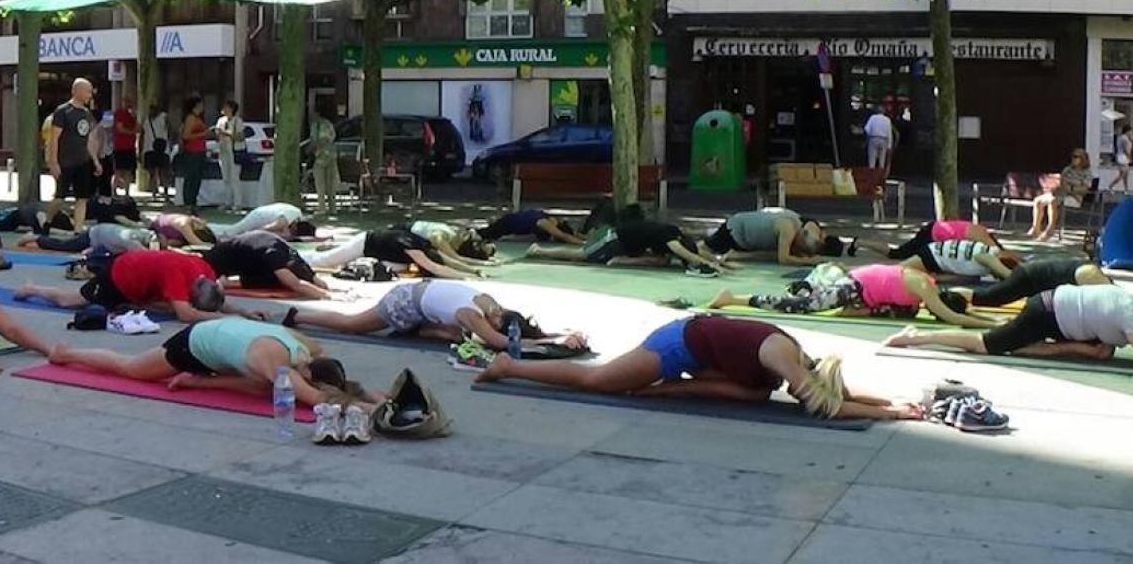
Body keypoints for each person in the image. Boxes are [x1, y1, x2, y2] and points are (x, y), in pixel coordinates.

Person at [476, 314, 922, 421]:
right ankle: (508, 366)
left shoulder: (767, 382)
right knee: (599, 381)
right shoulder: (778, 355)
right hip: (678, 343)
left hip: (697, 359)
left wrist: (892, 400)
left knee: (750, 394)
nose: (802, 391)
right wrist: (890, 414)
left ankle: (509, 365)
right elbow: (823, 405)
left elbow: (836, 394)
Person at [46, 319, 374, 411]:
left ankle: (198, 382)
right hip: (195, 343)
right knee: (131, 368)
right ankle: (66, 354)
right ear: (305, 374)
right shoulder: (277, 365)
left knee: (267, 386)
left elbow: (332, 388)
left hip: (230, 334)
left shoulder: (309, 348)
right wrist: (371, 411)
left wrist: (379, 396)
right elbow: (317, 399)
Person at [284, 280, 586, 350]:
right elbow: (497, 341)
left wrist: (557, 335)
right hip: (403, 302)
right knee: (352, 325)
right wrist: (542, 346)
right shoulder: (474, 315)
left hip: (420, 296)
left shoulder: (492, 305)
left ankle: (417, 329)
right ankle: (300, 317)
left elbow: (520, 330)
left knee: (456, 337)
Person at [708, 262, 1000, 329]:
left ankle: (856, 309)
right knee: (804, 307)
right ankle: (734, 297)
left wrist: (985, 317)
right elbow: (953, 316)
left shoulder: (930, 289)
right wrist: (994, 326)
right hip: (855, 285)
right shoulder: (926, 290)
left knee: (906, 312)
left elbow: (961, 308)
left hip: (867, 292)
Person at [885, 283, 1133, 361]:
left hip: (1059, 305)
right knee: (983, 344)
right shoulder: (1129, 314)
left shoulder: (1126, 304)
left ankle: (1039, 344)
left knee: (1103, 352)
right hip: (1047, 313)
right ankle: (917, 337)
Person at [15, 249, 272, 323]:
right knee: (72, 301)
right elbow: (187, 315)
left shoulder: (205, 272)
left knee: (167, 306)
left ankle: (134, 302)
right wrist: (223, 320)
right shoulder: (178, 277)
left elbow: (219, 301)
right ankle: (33, 289)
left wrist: (245, 313)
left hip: (144, 275)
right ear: (193, 292)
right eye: (192, 300)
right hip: (121, 274)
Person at [526, 219, 723, 277]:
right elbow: (688, 254)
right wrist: (708, 264)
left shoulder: (674, 235)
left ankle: (621, 260)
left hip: (630, 244)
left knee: (661, 261)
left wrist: (720, 262)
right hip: (614, 237)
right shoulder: (671, 239)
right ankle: (539, 251)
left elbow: (696, 252)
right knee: (583, 256)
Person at [205, 231, 335, 300]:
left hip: (248, 257)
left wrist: (324, 287)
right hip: (219, 260)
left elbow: (312, 277)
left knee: (279, 279)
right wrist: (327, 296)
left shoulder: (291, 255)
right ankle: (227, 282)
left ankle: (229, 281)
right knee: (281, 280)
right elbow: (295, 284)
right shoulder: (275, 256)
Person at [302, 228, 474, 279]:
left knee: (394, 269)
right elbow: (435, 267)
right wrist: (464, 277)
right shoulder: (414, 249)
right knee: (324, 261)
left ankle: (360, 264)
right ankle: (301, 256)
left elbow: (448, 260)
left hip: (384, 252)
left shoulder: (425, 245)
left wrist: (473, 271)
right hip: (365, 243)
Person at [46, 79, 101, 230]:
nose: (90, 95)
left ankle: (78, 230)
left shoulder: (86, 113)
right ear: (77, 91)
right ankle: (47, 221)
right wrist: (53, 162)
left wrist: (95, 160)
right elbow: (54, 138)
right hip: (65, 161)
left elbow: (89, 139)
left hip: (82, 161)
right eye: (88, 91)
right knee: (59, 198)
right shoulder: (63, 111)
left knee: (82, 198)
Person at [960, 257, 1109, 307]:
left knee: (989, 297)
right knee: (987, 298)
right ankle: (946, 296)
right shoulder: (1092, 278)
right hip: (1029, 277)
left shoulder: (1096, 279)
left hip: (1034, 276)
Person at [699, 208, 825, 266]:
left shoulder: (797, 224)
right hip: (736, 230)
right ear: (800, 240)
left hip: (745, 233)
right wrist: (809, 262)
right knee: (703, 249)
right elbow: (784, 260)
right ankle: (685, 248)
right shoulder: (788, 229)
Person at [1029, 149, 1093, 240]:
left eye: (1076, 157)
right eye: (1073, 156)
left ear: (1083, 159)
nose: (1073, 159)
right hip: (1060, 192)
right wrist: (1062, 185)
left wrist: (1071, 188)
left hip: (1074, 197)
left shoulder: (1087, 173)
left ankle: (1050, 229)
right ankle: (1035, 228)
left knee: (1053, 201)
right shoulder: (1067, 169)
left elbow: (1085, 189)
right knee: (1038, 200)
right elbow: (1061, 181)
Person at [862, 219, 1001, 259]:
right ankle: (860, 242)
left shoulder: (982, 235)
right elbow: (999, 254)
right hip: (930, 234)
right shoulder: (982, 239)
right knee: (896, 254)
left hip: (937, 232)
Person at [897, 239, 1022, 281]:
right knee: (898, 272)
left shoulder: (990, 255)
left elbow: (962, 275)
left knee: (902, 272)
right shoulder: (988, 257)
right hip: (933, 254)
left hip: (938, 258)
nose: (995, 277)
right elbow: (1010, 275)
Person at [17, 223, 160, 255]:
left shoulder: (141, 234)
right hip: (94, 235)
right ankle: (35, 236)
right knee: (63, 246)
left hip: (101, 235)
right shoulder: (133, 241)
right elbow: (149, 257)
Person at [209, 203, 313, 240]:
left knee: (235, 229)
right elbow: (267, 228)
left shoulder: (297, 214)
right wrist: (251, 234)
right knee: (234, 231)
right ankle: (210, 228)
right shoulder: (284, 222)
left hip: (265, 213)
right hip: (259, 217)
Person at [477, 209, 585, 245]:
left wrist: (584, 238)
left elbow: (570, 233)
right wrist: (582, 244)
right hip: (507, 224)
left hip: (511, 221)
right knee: (484, 235)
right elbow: (563, 236)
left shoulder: (549, 218)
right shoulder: (545, 223)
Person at [178, 96, 209, 214]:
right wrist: (203, 134)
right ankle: (188, 203)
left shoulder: (199, 118)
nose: (203, 107)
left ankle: (193, 201)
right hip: (192, 151)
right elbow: (186, 135)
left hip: (200, 150)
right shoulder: (190, 118)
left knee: (197, 177)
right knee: (191, 176)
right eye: (201, 105)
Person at [309, 100, 339, 217]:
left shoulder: (316, 125)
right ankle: (333, 208)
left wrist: (309, 150)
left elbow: (315, 141)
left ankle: (322, 207)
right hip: (332, 155)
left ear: (317, 113)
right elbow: (332, 138)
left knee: (320, 183)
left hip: (321, 157)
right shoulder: (329, 124)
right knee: (331, 184)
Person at [215, 100, 245, 212]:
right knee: (225, 178)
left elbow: (241, 137)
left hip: (234, 152)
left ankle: (238, 203)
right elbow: (217, 136)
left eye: (226, 107)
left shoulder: (238, 121)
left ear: (231, 109)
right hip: (223, 152)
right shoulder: (220, 121)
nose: (224, 108)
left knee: (234, 178)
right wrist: (218, 134)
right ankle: (227, 202)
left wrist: (226, 133)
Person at [0, 202, 72, 235]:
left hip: (27, 217)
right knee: (4, 226)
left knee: (4, 225)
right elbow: (45, 226)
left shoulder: (58, 213)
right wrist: (65, 233)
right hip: (20, 215)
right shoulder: (45, 214)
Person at [112, 97, 140, 195]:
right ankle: (114, 191)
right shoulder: (119, 113)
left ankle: (127, 192)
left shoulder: (131, 115)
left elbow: (138, 127)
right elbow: (120, 128)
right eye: (126, 101)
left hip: (130, 147)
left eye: (129, 101)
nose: (128, 103)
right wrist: (132, 132)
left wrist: (135, 117)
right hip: (120, 146)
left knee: (128, 171)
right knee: (118, 171)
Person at [142, 104, 171, 200]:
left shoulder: (164, 117)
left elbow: (169, 129)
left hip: (163, 148)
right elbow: (142, 135)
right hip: (149, 149)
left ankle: (165, 192)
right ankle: (154, 192)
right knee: (152, 173)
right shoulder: (146, 120)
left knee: (163, 172)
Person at [150, 212, 216, 247]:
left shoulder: (189, 222)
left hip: (168, 228)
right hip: (159, 228)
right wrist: (211, 246)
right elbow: (195, 242)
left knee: (178, 242)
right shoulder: (184, 224)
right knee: (164, 244)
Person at [91, 107, 115, 198]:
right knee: (102, 184)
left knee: (101, 184)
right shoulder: (100, 128)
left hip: (101, 158)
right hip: (103, 157)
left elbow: (99, 145)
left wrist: (96, 160)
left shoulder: (98, 129)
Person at [864, 104, 895, 169]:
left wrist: (870, 135)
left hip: (873, 138)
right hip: (884, 140)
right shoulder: (887, 119)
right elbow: (889, 133)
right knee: (882, 160)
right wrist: (889, 146)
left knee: (872, 160)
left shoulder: (872, 117)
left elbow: (866, 129)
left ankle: (872, 175)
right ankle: (880, 175)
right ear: (884, 112)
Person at [1111, 124, 1132, 193]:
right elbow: (1126, 150)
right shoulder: (1125, 138)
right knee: (1123, 174)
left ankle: (1126, 189)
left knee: (1125, 174)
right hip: (1123, 158)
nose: (1131, 132)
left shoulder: (1120, 137)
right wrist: (1130, 157)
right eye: (1130, 131)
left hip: (1120, 157)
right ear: (1127, 131)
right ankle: (1111, 186)